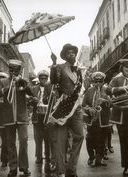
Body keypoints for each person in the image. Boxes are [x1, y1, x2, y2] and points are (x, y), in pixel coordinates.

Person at [50, 43, 84, 177]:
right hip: (63, 108)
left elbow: (79, 88)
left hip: (76, 108)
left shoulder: (79, 70)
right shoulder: (59, 67)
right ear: (65, 55)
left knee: (80, 136)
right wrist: (53, 64)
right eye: (69, 53)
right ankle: (61, 171)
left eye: (74, 53)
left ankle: (71, 167)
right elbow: (53, 81)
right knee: (61, 141)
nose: (72, 55)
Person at [0, 60, 32, 177]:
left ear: (20, 70)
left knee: (24, 140)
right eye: (11, 69)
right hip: (9, 117)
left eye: (16, 70)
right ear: (8, 70)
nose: (13, 72)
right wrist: (5, 89)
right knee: (10, 144)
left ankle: (24, 167)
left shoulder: (23, 81)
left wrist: (23, 83)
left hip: (22, 117)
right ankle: (13, 168)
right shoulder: (3, 81)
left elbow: (31, 93)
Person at [82, 71, 111, 167]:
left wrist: (105, 101)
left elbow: (113, 103)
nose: (98, 83)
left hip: (103, 119)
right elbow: (83, 104)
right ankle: (91, 157)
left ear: (103, 81)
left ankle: (100, 158)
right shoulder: (89, 90)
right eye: (96, 81)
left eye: (100, 81)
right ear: (93, 81)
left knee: (102, 140)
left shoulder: (107, 90)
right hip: (92, 120)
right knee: (89, 139)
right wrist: (89, 108)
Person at [30, 70, 52, 172]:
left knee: (47, 137)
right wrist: (32, 100)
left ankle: (48, 157)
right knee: (37, 138)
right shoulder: (34, 89)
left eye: (45, 78)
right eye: (41, 78)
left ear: (47, 79)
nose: (43, 80)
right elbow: (29, 101)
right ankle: (38, 157)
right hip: (37, 116)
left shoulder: (51, 88)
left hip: (47, 116)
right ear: (39, 79)